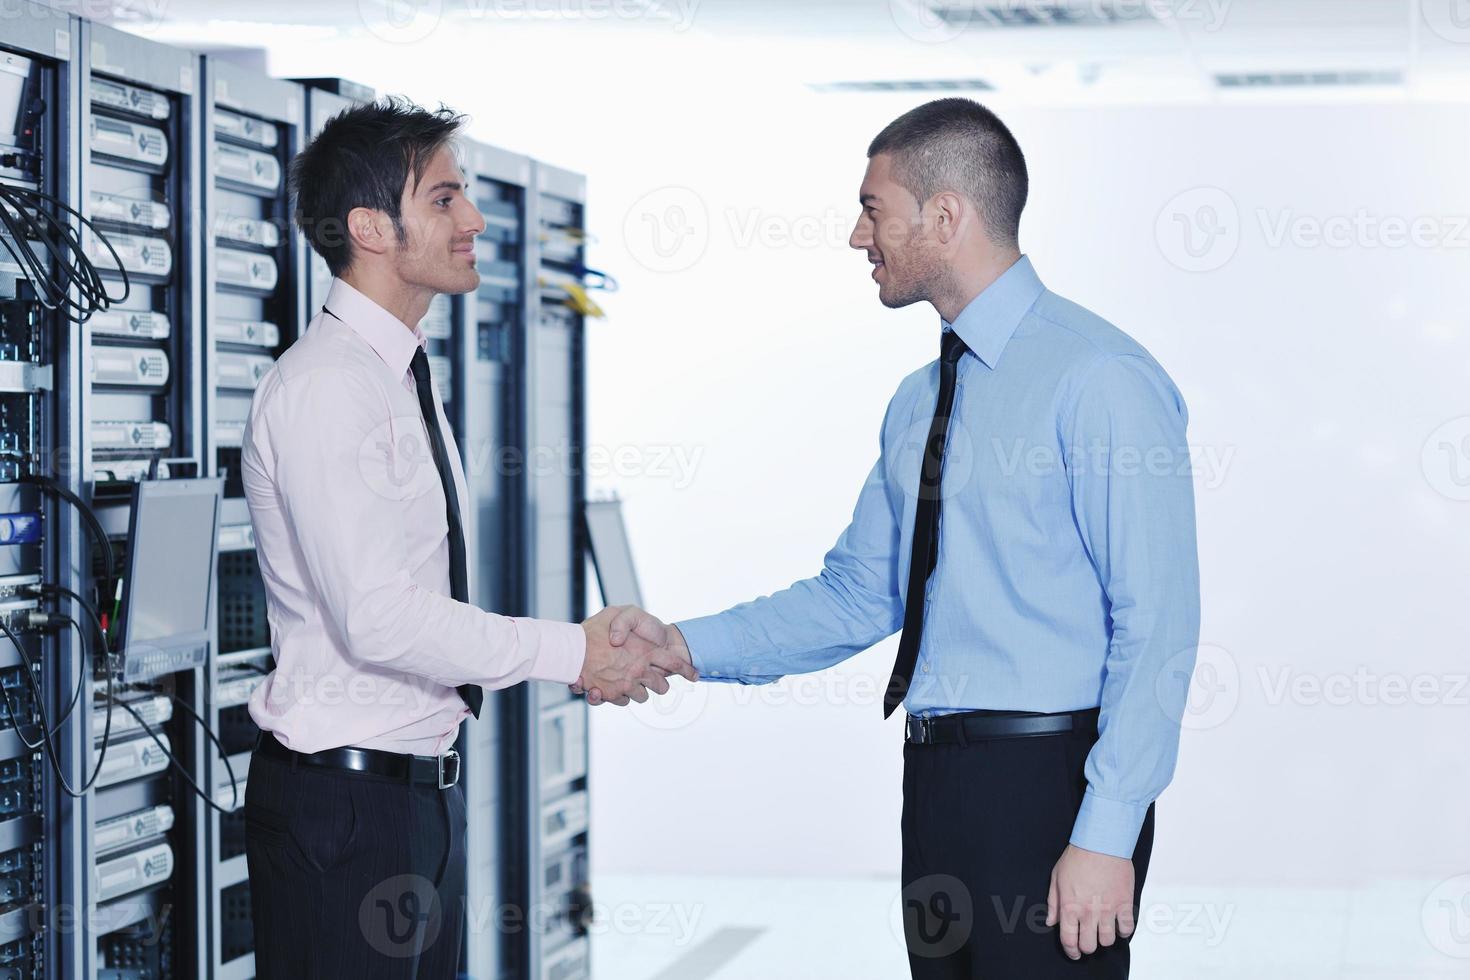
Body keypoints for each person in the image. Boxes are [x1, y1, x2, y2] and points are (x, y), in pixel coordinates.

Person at [587, 98, 1200, 978]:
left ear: (946, 216)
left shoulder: (1100, 379)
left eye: (873, 209)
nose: (856, 236)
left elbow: (1159, 626)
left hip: (1050, 787)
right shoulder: (919, 399)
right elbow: (859, 593)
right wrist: (682, 645)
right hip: (938, 788)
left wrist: (1107, 832)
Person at [239, 97, 692, 979]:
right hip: (346, 810)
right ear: (370, 227)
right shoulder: (329, 389)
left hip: (413, 798)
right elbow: (378, 617)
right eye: (445, 200)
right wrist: (574, 652)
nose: (475, 220)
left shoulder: (400, 373)